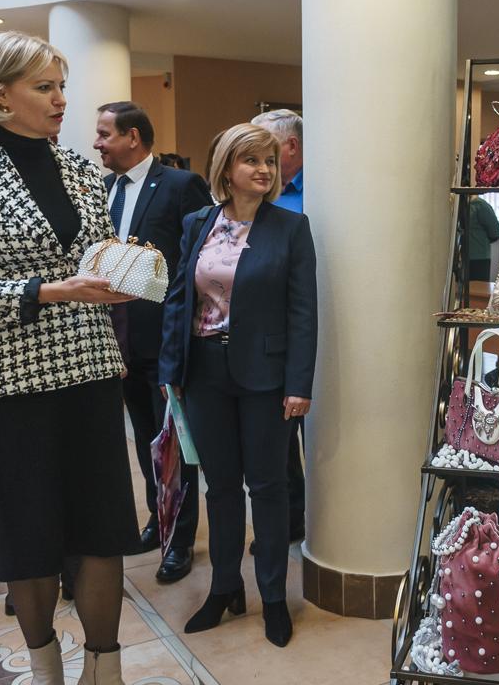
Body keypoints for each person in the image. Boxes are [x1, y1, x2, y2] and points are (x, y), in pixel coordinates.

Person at [0, 31, 138, 685]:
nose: (60, 100)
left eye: (61, 86)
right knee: (27, 534)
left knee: (102, 528)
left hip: (89, 371)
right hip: (9, 385)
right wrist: (50, 290)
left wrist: (126, 274)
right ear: (0, 95)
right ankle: (46, 665)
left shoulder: (79, 168)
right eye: (44, 87)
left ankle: (104, 670)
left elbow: (97, 259)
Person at [159, 123, 318, 648]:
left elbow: (303, 312)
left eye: (269, 161)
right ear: (226, 168)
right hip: (204, 373)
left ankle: (272, 596)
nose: (264, 170)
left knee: (268, 488)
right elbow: (180, 299)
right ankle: (225, 586)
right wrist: (170, 372)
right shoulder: (197, 223)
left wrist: (299, 383)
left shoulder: (290, 228)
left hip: (267, 377)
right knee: (221, 487)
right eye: (252, 160)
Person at [94, 101, 212, 584]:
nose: (98, 144)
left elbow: (197, 261)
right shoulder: (103, 189)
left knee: (175, 446)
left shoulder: (181, 185)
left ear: (133, 137)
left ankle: (180, 541)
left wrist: (181, 341)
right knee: (145, 441)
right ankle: (156, 521)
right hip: (118, 340)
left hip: (164, 340)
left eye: (105, 134)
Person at [251, 108, 307, 548]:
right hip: (274, 336)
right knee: (280, 442)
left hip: (323, 327)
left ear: (289, 146)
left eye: (264, 147)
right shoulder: (257, 199)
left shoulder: (327, 186)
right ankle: (290, 519)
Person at [467, 196, 499, 281]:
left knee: (478, 286)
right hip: (471, 255)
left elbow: (495, 231)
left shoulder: (480, 205)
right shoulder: (463, 205)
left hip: (478, 257)